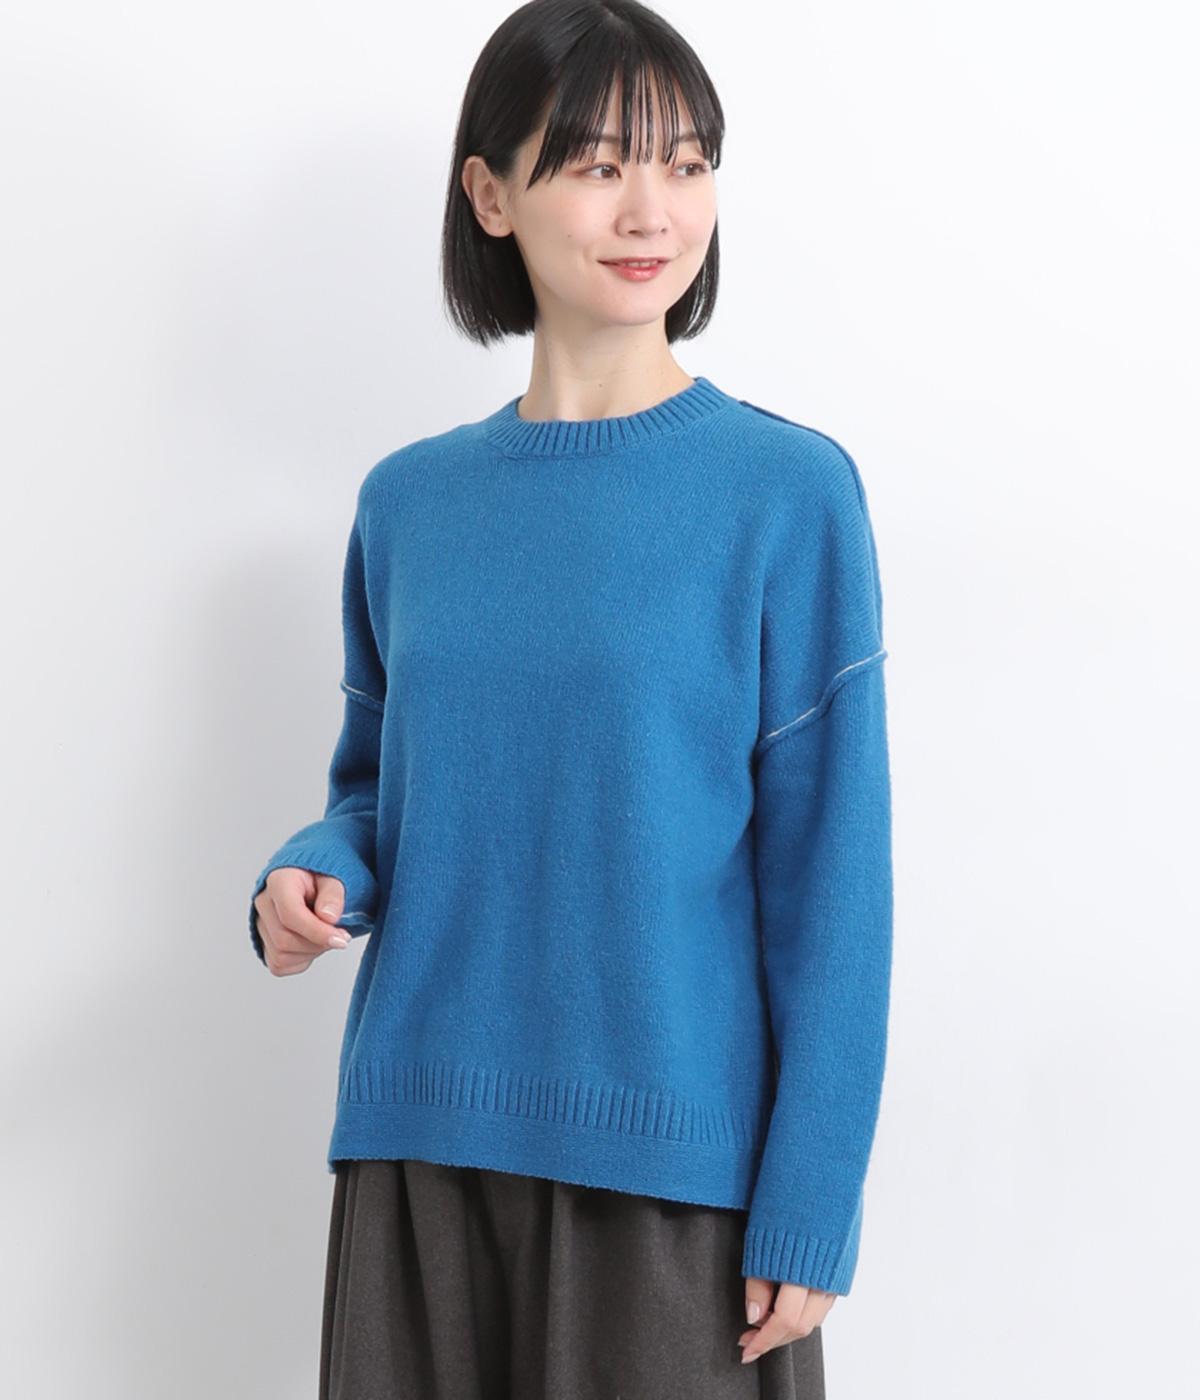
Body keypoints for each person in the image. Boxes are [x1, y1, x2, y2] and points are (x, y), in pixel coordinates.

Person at [248, 2, 894, 1395]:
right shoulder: (409, 504)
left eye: (686, 162)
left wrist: (812, 1195)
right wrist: (314, 871)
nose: (652, 209)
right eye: (598, 165)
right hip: (419, 1151)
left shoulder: (787, 497)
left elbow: (835, 880)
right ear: (491, 195)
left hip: (671, 1182)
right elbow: (378, 788)